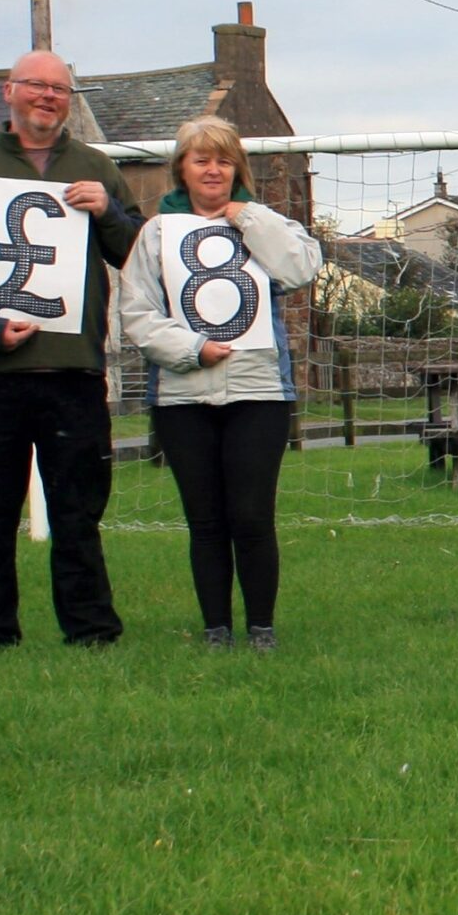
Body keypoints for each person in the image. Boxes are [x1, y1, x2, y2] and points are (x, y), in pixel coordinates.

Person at [0, 50, 143, 650]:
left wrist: (109, 213)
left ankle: (92, 630)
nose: (47, 97)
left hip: (73, 371)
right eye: (35, 86)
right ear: (8, 92)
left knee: (79, 514)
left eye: (59, 89)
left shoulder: (95, 166)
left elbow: (138, 256)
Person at [118, 117, 323, 650]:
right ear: (180, 169)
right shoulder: (156, 234)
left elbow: (301, 267)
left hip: (259, 393)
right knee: (205, 520)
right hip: (182, 397)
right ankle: (215, 630)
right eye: (201, 159)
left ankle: (261, 629)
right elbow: (136, 313)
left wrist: (248, 218)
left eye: (224, 160)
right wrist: (191, 351)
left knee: (252, 516)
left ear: (238, 169)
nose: (213, 170)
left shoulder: (262, 221)